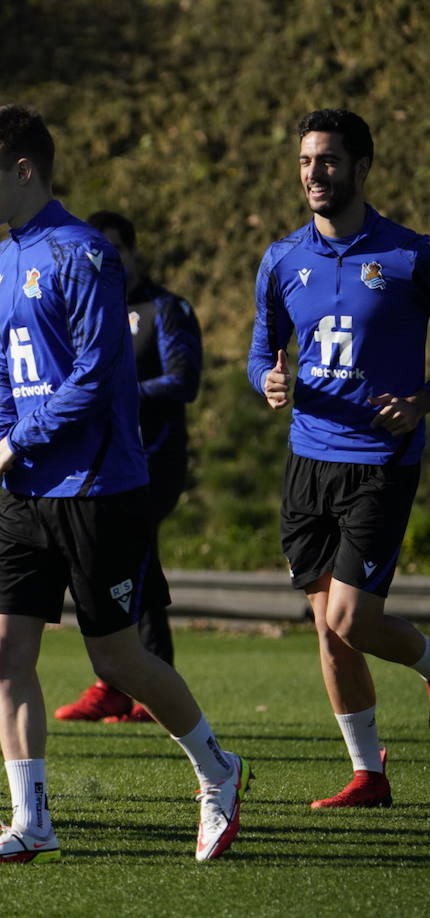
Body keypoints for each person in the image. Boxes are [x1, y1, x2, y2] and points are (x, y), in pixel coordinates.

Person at [0, 105, 249, 864]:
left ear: (24, 171)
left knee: (117, 659)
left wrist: (21, 439)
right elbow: (3, 365)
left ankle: (218, 769)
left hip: (97, 488)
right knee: (3, 650)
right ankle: (32, 821)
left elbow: (97, 373)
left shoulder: (84, 254)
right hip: (28, 492)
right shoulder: (2, 259)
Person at [248, 108, 430, 809]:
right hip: (307, 463)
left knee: (355, 619)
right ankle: (368, 775)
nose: (313, 174)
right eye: (304, 161)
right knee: (330, 629)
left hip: (380, 461)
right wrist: (264, 378)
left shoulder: (412, 255)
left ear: (361, 167)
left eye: (326, 161)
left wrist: (419, 403)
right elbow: (261, 350)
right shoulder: (283, 258)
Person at [54, 210, 204, 724]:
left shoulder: (163, 309)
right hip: (99, 463)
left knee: (129, 559)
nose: (104, 257)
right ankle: (118, 682)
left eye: (115, 246)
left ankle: (138, 683)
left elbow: (183, 381)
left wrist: (117, 395)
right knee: (110, 562)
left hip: (153, 460)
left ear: (135, 251)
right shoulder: (85, 310)